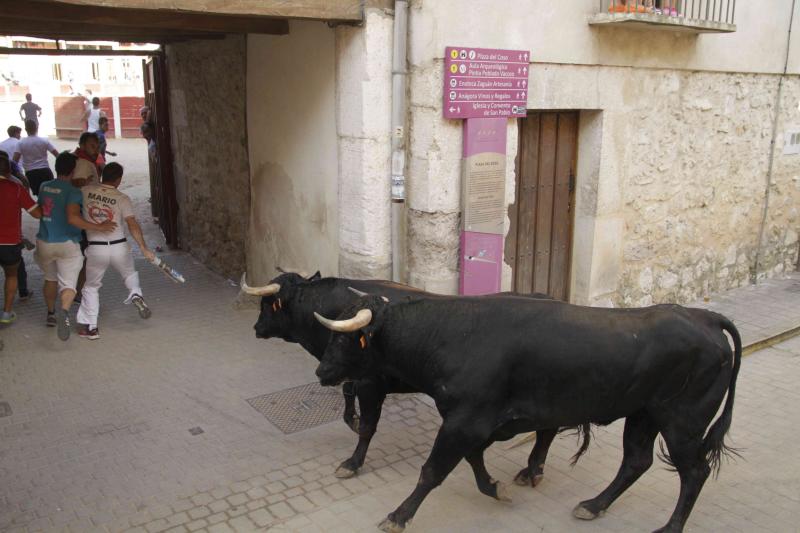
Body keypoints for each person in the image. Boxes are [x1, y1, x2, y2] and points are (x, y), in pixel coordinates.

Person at [35, 152, 116, 340]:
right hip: (67, 244)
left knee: (50, 279)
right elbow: (73, 218)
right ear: (73, 170)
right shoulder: (73, 192)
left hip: (45, 241)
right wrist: (98, 227)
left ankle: (50, 314)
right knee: (69, 284)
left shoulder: (44, 186)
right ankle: (64, 310)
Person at [77, 162, 153, 339]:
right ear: (119, 180)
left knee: (91, 287)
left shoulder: (85, 191)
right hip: (119, 246)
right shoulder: (122, 198)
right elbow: (132, 224)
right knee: (129, 274)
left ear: (102, 175)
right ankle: (135, 293)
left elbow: (74, 189)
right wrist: (143, 247)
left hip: (96, 248)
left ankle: (92, 328)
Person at [0, 154, 42, 324]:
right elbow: (37, 213)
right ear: (9, 170)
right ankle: (6, 313)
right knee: (11, 275)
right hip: (10, 243)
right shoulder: (16, 188)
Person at [13, 119, 58, 196]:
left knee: (39, 196)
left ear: (26, 129)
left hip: (31, 174)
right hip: (45, 171)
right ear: (37, 127)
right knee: (50, 196)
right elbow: (57, 155)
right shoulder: (44, 141)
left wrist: (17, 174)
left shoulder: (20, 143)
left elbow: (14, 161)